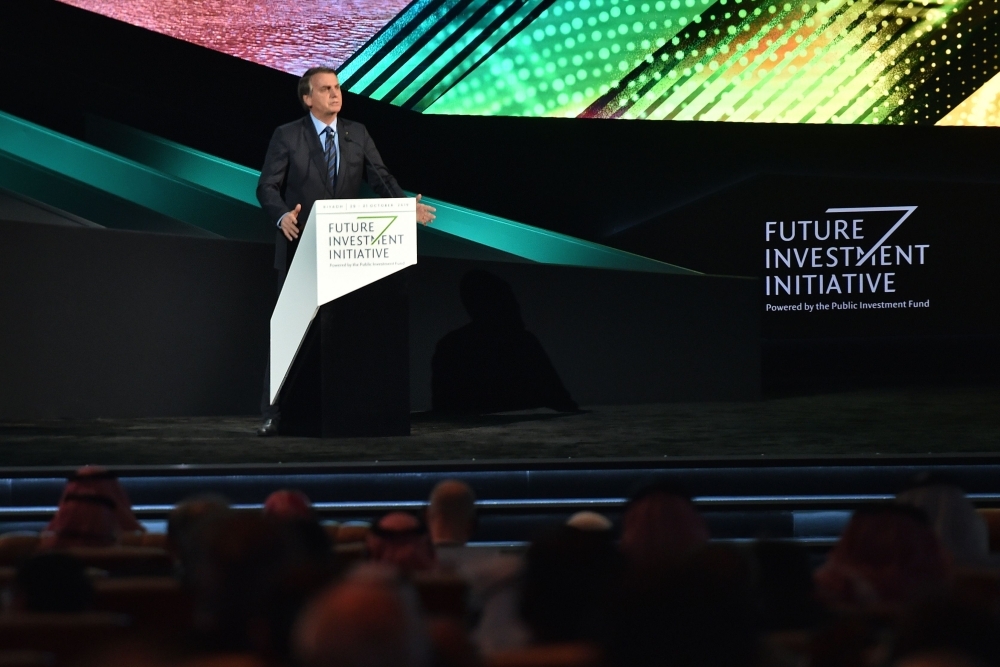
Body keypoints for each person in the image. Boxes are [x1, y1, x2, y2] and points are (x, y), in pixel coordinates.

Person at [255, 66, 436, 436]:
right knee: (293, 332)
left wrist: (404, 207)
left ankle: (344, 407)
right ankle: (274, 412)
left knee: (344, 334)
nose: (335, 94)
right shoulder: (288, 135)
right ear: (308, 98)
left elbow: (381, 178)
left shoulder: (358, 134)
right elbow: (267, 188)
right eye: (325, 89)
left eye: (337, 87)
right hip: (300, 248)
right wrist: (281, 217)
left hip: (346, 251)